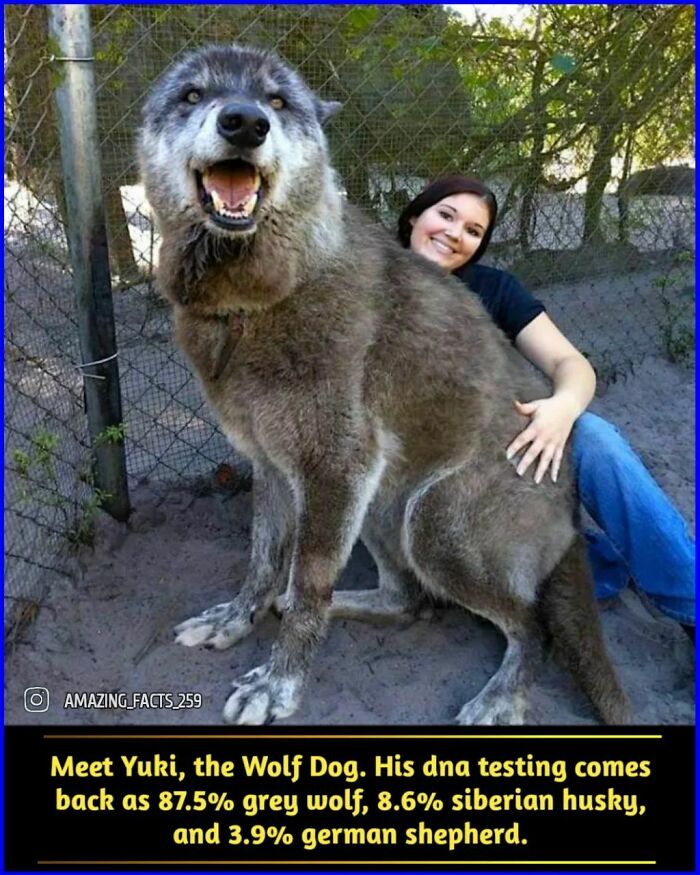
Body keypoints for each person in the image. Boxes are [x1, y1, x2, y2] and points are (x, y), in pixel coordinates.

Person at [397, 175, 695, 633]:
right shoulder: (366, 282)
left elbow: (569, 362)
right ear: (415, 215)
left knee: (594, 437)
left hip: (495, 455)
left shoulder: (492, 289)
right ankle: (594, 563)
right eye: (446, 215)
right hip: (413, 479)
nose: (455, 234)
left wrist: (563, 408)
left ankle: (691, 606)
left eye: (474, 231)